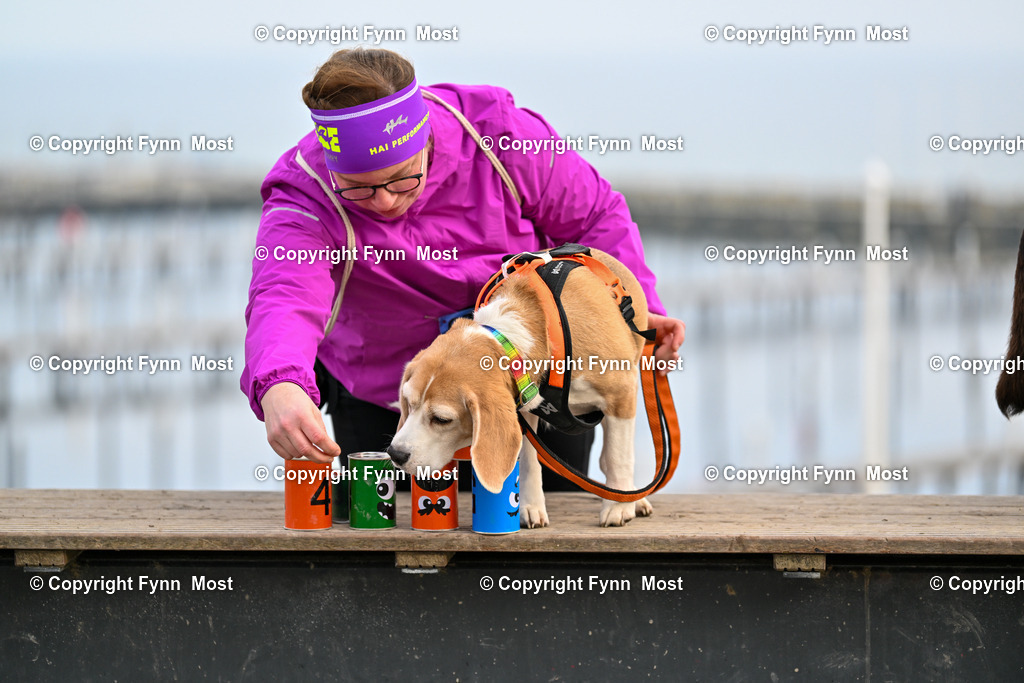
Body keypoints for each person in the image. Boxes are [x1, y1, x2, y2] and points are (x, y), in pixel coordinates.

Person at [241, 47, 684, 490]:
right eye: (358, 189)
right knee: (397, 542)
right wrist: (279, 382)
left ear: (426, 139)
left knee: (545, 537)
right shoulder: (306, 192)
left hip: (537, 385)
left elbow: (595, 218)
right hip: (393, 396)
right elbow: (285, 293)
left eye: (402, 177)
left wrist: (634, 312)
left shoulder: (502, 136)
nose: (385, 202)